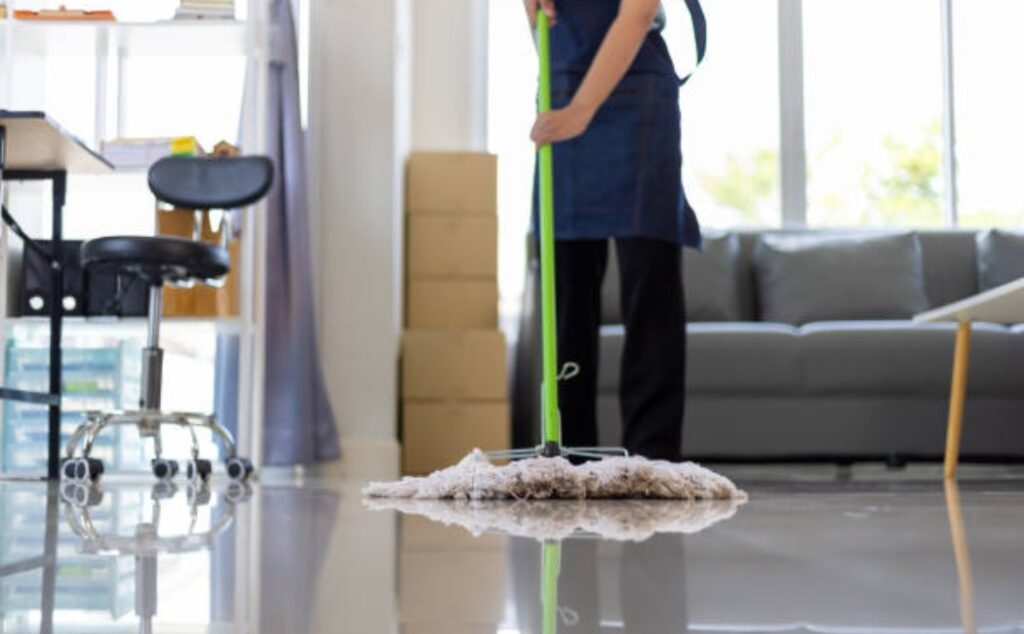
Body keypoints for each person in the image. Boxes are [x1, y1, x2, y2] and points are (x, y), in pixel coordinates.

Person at [524, 0, 702, 462]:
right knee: (566, 290)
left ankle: (653, 458)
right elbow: (543, 30)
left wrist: (582, 108)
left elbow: (637, 13)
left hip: (636, 99)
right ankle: (569, 456)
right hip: (564, 99)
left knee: (650, 286)